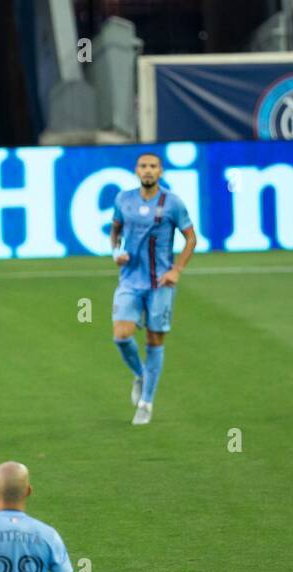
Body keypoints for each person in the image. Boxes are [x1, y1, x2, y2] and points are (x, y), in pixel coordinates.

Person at [110, 152, 197, 425]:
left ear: (160, 172)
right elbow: (115, 231)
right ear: (137, 170)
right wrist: (116, 252)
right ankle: (141, 374)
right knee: (121, 336)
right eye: (144, 166)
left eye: (153, 166)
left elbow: (191, 239)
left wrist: (176, 270)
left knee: (153, 341)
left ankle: (146, 402)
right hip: (130, 280)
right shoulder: (123, 199)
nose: (148, 170)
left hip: (160, 283)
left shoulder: (173, 203)